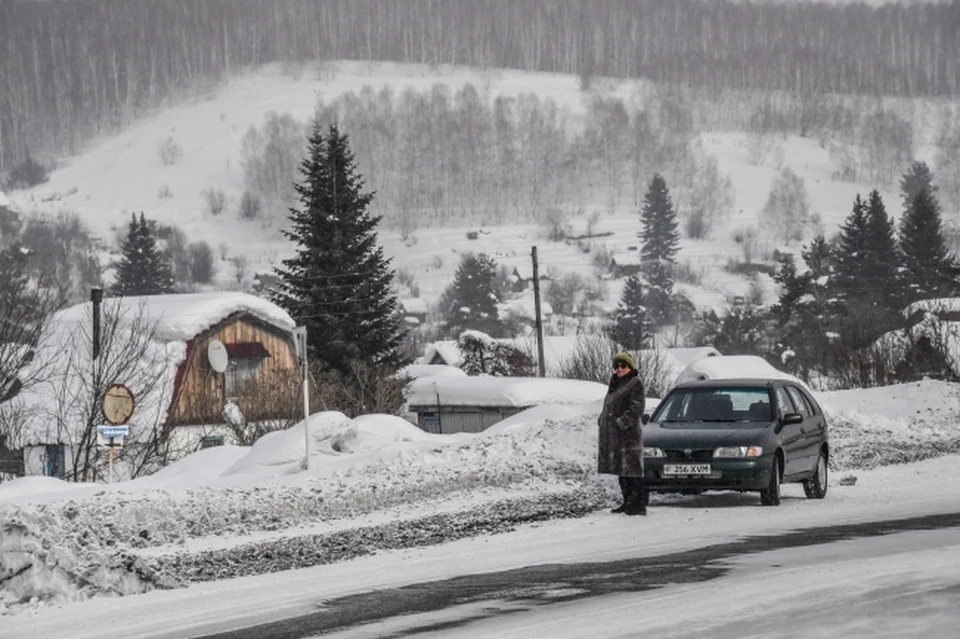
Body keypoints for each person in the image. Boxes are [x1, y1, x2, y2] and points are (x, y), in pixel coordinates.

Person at [597, 351, 648, 515]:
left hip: (629, 436)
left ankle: (638, 505)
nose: (619, 369)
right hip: (615, 437)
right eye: (617, 366)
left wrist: (621, 423)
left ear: (630, 367)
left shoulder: (635, 383)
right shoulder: (616, 383)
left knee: (632, 471)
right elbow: (610, 406)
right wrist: (602, 419)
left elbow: (636, 409)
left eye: (623, 366)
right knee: (621, 470)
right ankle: (627, 502)